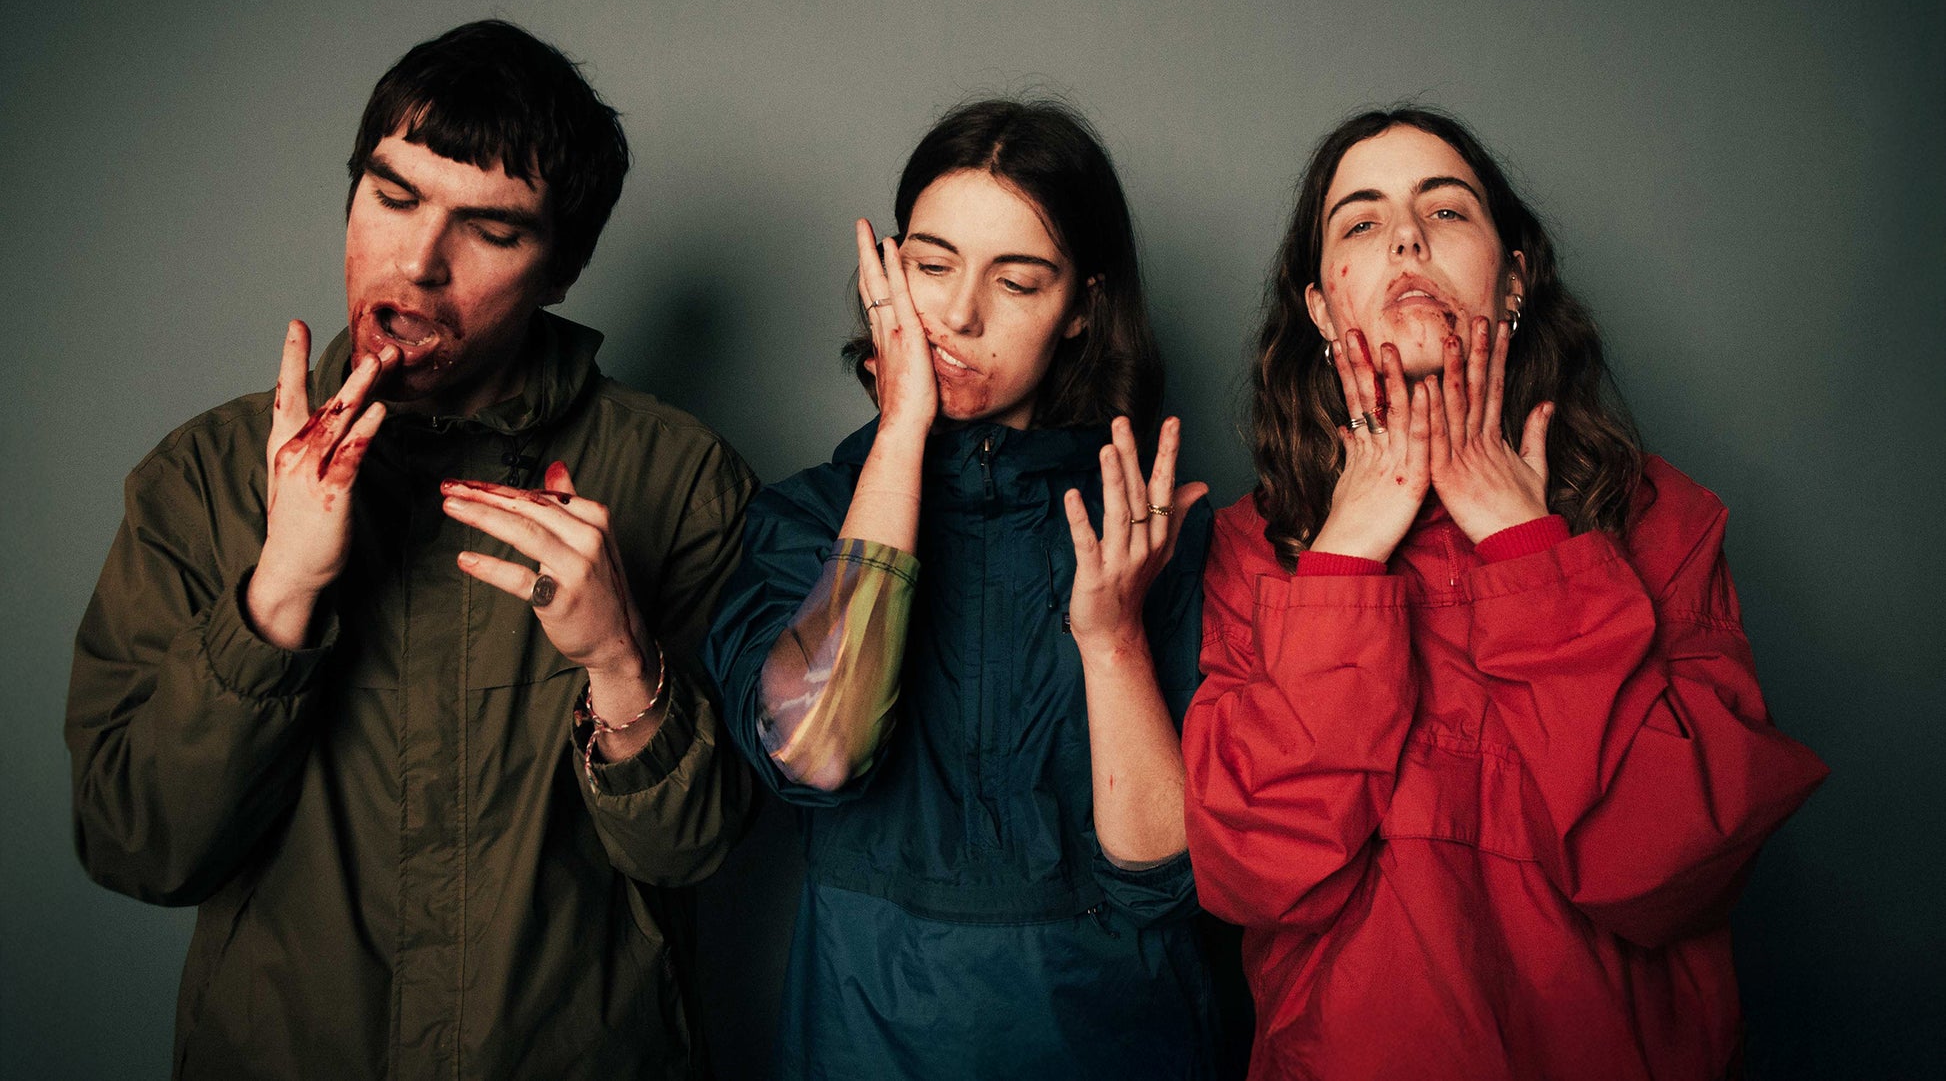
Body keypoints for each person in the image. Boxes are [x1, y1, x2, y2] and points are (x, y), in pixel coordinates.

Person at [65, 19, 756, 1080]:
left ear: (562, 266)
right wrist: (277, 592)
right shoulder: (201, 477)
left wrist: (621, 664)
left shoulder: (681, 478)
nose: (419, 263)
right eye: (392, 198)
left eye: (490, 230)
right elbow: (137, 846)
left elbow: (693, 849)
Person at [1181, 106, 1828, 1081]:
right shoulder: (1254, 550)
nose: (1405, 238)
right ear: (1319, 309)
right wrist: (1345, 560)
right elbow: (1251, 871)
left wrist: (1525, 547)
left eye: (1444, 211)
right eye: (1361, 221)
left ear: (1513, 278)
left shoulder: (1664, 522)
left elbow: (1674, 867)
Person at [703, 99, 1229, 1079]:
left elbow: (1164, 876)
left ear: (1081, 306)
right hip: (865, 1038)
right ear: (888, 273)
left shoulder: (1156, 530)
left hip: (1115, 1038)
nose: (958, 315)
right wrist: (902, 430)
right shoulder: (804, 521)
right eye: (932, 265)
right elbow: (817, 750)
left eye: (1017, 280)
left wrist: (1112, 634)